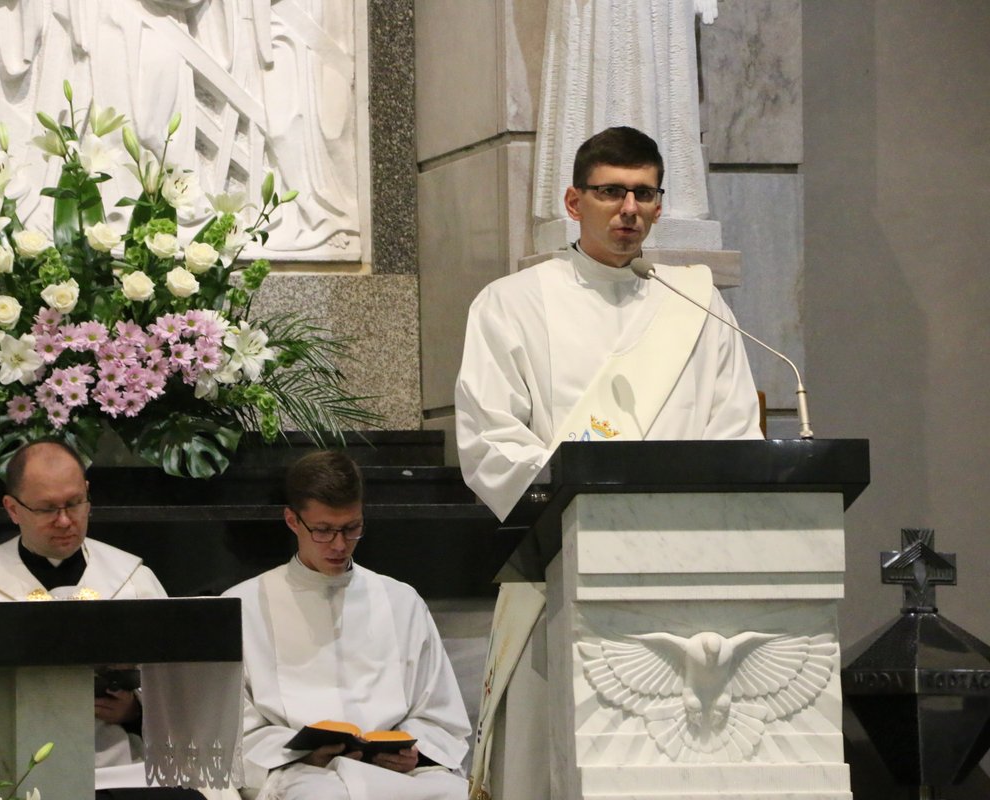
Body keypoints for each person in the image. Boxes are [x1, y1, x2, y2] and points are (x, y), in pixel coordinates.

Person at [453, 126, 762, 797]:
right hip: (562, 570)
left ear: (659, 205)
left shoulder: (697, 305)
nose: (629, 210)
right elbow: (490, 439)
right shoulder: (512, 302)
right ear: (574, 201)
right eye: (611, 192)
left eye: (644, 194)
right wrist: (579, 504)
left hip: (682, 577)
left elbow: (735, 431)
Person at [222, 451, 470, 800]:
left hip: (399, 775)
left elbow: (438, 712)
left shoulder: (400, 600)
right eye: (323, 530)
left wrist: (414, 751)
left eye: (352, 528)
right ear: (292, 520)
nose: (340, 545)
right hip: (300, 773)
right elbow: (233, 726)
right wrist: (300, 753)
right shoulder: (243, 605)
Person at [0, 440, 168, 770]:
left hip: (117, 767)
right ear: (13, 509)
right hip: (6, 770)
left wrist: (135, 710)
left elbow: (175, 688)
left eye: (74, 503)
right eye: (47, 509)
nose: (65, 521)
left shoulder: (133, 581)